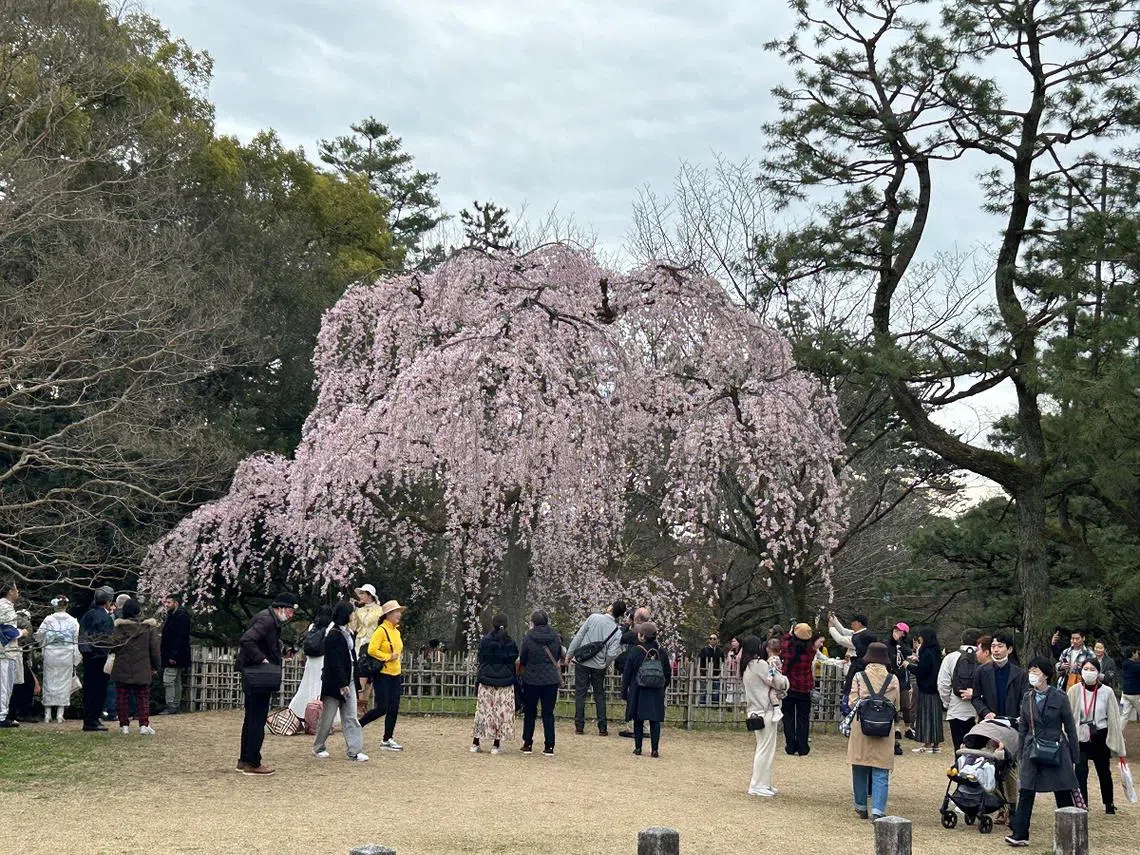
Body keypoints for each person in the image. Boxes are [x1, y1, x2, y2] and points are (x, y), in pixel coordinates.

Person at [1005, 658, 1080, 847]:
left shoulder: (1060, 696)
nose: (1032, 674)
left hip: (1056, 747)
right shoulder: (1027, 697)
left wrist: (1074, 754)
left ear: (1046, 674)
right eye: (1030, 671)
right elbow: (1022, 726)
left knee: (1062, 789)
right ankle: (1020, 833)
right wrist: (1020, 751)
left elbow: (1070, 726)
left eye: (1036, 671)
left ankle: (1069, 834)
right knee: (1027, 790)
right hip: (1032, 747)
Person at [235, 591, 298, 775]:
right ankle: (253, 762)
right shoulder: (267, 620)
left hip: (252, 674)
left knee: (251, 718)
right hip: (258, 674)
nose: (291, 615)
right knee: (257, 719)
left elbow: (265, 642)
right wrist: (262, 659)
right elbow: (247, 639)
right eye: (290, 611)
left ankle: (244, 759)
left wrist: (282, 652)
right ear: (280, 608)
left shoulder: (267, 618)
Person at [847, 642, 901, 819]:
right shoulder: (893, 679)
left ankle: (861, 805)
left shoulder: (859, 677)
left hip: (862, 725)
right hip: (884, 728)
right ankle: (878, 810)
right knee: (881, 769)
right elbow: (897, 705)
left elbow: (852, 702)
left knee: (860, 765)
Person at [1066, 658, 1126, 814]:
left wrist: (1117, 742)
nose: (1089, 672)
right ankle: (1082, 804)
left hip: (1100, 735)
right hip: (1081, 735)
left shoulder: (1107, 691)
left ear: (1099, 672)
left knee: (1103, 770)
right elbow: (1068, 715)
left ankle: (1109, 803)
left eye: (1092, 669)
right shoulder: (1074, 690)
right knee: (1080, 770)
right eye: (1085, 669)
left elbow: (1113, 716)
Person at [312, 602, 368, 762]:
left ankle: (355, 750)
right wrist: (342, 683)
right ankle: (318, 746)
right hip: (334, 681)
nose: (353, 615)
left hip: (349, 676)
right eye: (351, 613)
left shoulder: (348, 632)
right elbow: (334, 662)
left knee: (351, 716)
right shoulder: (333, 634)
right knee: (328, 717)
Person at [565, 599, 625, 736]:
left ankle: (579, 726)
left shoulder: (593, 618)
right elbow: (611, 653)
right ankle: (602, 728)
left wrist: (569, 654)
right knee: (599, 695)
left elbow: (579, 636)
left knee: (580, 693)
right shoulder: (617, 631)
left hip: (583, 662)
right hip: (599, 666)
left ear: (610, 608)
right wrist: (605, 663)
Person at [742, 634, 788, 796]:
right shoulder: (759, 664)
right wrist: (785, 681)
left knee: (766, 749)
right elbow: (777, 681)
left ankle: (764, 783)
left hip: (755, 710)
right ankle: (757, 785)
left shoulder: (746, 666)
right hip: (765, 710)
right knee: (764, 750)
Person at [108, 598, 161, 735]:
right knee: (142, 696)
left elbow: (112, 647)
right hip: (142, 666)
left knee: (122, 697)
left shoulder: (119, 628)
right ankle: (143, 724)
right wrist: (155, 666)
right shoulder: (148, 628)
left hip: (122, 666)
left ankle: (124, 725)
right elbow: (154, 649)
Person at [359, 599, 406, 750]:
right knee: (382, 707)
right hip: (383, 673)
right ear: (388, 614)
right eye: (395, 612)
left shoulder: (396, 631)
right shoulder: (381, 630)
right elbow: (372, 650)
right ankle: (358, 725)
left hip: (395, 673)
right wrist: (387, 657)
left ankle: (388, 738)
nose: (399, 614)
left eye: (399, 611)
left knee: (394, 707)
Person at [470, 613, 518, 754]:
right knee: (500, 712)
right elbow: (514, 658)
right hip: (505, 681)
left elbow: (480, 657)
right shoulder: (510, 643)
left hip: (486, 680)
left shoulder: (485, 641)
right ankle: (496, 745)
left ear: (493, 624)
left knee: (483, 711)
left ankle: (476, 742)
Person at [621, 620, 670, 757]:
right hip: (656, 690)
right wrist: (662, 687)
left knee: (638, 719)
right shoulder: (661, 653)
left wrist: (625, 692)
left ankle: (638, 748)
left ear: (642, 636)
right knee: (655, 721)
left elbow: (627, 673)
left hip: (638, 689)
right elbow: (667, 673)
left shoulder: (635, 651)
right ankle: (654, 749)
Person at [518, 610, 563, 756]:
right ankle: (549, 746)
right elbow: (557, 656)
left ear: (533, 622)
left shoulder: (528, 637)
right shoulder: (555, 637)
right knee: (548, 713)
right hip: (550, 679)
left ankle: (527, 743)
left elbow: (523, 657)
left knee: (530, 712)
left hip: (531, 678)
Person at [36, 596, 81, 723]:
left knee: (49, 680)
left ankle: (47, 714)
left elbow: (39, 635)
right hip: (66, 653)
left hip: (51, 652)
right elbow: (76, 639)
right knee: (64, 682)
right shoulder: (73, 621)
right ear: (66, 605)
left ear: (55, 605)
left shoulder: (48, 619)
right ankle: (60, 714)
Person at [78, 588, 116, 732]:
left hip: (88, 656)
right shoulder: (105, 618)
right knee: (99, 689)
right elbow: (107, 640)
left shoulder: (88, 615)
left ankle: (89, 718)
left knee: (89, 689)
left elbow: (81, 636)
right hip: (99, 657)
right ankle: (93, 720)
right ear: (108, 601)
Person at [288, 606, 334, 725]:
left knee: (306, 686)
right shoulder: (331, 626)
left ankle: (299, 712)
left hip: (311, 661)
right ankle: (318, 716)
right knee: (320, 687)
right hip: (323, 659)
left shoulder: (312, 626)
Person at [938, 629, 981, 751]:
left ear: (962, 640)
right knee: (977, 751)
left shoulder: (950, 657)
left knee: (959, 749)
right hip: (978, 711)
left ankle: (958, 768)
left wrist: (947, 703)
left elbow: (943, 684)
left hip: (957, 709)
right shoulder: (983, 657)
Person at [779, 622, 816, 757]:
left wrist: (789, 634)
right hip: (804, 688)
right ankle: (803, 747)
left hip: (789, 687)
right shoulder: (810, 650)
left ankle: (790, 746)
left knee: (788, 718)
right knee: (803, 719)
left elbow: (783, 643)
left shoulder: (788, 647)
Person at [908, 627, 944, 754]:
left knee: (925, 716)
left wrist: (909, 666)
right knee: (935, 716)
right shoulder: (936, 651)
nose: (920, 639)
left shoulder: (926, 652)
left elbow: (921, 671)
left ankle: (927, 744)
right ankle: (936, 744)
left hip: (926, 688)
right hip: (935, 688)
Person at [348, 584, 383, 711]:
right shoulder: (358, 611)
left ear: (370, 595)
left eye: (363, 593)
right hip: (360, 644)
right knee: (360, 672)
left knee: (371, 674)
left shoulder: (380, 610)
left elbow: (375, 624)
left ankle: (364, 704)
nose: (360, 596)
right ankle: (359, 705)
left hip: (374, 642)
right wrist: (352, 611)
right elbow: (353, 627)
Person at [0, 580, 30, 728]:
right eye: (16, 589)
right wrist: (21, 632)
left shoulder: (5, 606)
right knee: (5, 685)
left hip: (5, 653)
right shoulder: (5, 607)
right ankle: (1, 716)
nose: (18, 592)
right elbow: (5, 630)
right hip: (5, 653)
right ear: (10, 591)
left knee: (5, 685)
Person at [158, 594, 192, 715]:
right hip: (176, 653)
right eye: (166, 602)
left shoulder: (180, 616)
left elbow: (180, 637)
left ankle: (171, 704)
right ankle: (175, 704)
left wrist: (173, 655)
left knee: (169, 680)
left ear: (176, 603)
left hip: (174, 654)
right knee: (176, 680)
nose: (166, 605)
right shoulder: (176, 615)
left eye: (169, 602)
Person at [886, 622, 913, 755]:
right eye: (895, 629)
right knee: (893, 705)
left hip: (903, 680)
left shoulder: (905, 645)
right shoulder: (888, 643)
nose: (897, 632)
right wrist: (893, 641)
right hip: (891, 679)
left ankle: (908, 728)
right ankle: (896, 728)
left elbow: (908, 653)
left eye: (900, 630)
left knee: (906, 705)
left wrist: (900, 644)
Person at [698, 631, 723, 705]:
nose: (712, 640)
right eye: (711, 638)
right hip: (705, 672)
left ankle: (714, 703)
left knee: (715, 690)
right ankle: (702, 703)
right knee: (704, 690)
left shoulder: (719, 651)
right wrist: (702, 671)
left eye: (714, 639)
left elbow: (722, 662)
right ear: (708, 640)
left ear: (717, 640)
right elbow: (700, 661)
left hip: (716, 673)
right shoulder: (704, 650)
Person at [1122, 647, 1140, 723]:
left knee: (1124, 716)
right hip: (1135, 694)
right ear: (1133, 653)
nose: (1138, 655)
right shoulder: (1135, 666)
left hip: (1126, 693)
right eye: (1136, 653)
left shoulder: (1125, 663)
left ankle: (1117, 733)